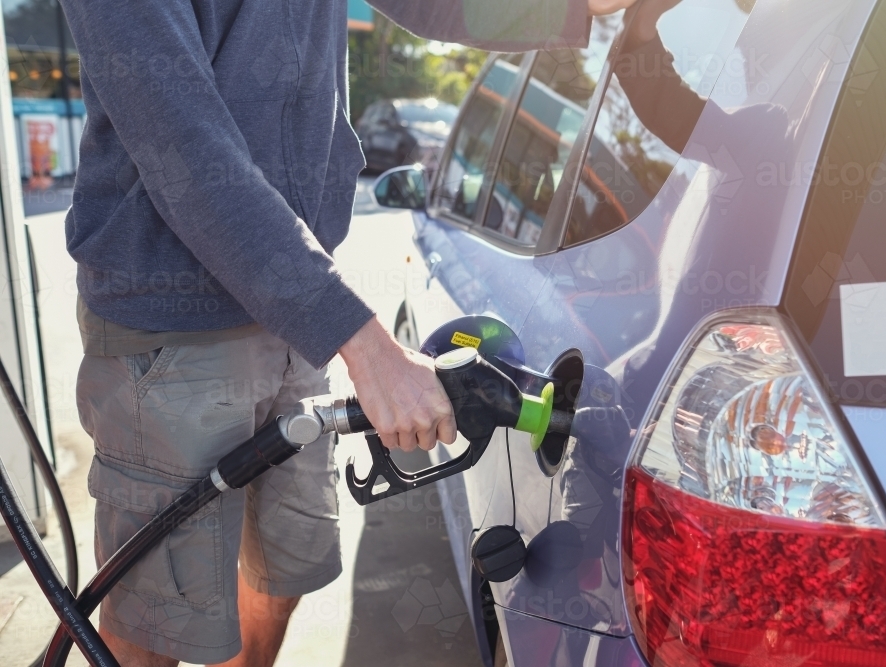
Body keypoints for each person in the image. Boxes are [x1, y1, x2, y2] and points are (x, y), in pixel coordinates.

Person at [58, 0, 639, 665]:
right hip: (171, 322)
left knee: (285, 564)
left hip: (293, 305)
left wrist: (572, 5)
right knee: (158, 619)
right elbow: (185, 151)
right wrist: (363, 344)